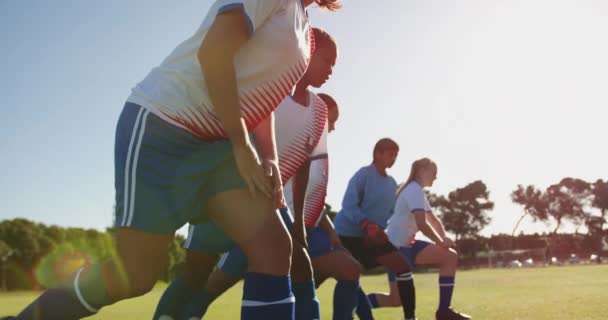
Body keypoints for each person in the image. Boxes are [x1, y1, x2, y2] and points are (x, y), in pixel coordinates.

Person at [11, 1, 341, 319]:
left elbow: (264, 91)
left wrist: (267, 154)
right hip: (165, 127)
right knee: (136, 275)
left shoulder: (304, 31)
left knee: (273, 248)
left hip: (217, 143)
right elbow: (214, 53)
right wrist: (242, 145)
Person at [153, 27, 339, 320]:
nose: (331, 70)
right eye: (326, 60)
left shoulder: (318, 110)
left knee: (296, 259)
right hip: (226, 189)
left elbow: (303, 164)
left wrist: (300, 221)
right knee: (197, 272)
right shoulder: (268, 88)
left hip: (268, 199)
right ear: (307, 51)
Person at [333, 138, 417, 320]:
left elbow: (389, 212)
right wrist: (366, 224)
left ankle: (410, 318)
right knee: (351, 276)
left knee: (402, 266)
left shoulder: (391, 183)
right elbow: (348, 205)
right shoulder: (363, 175)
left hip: (372, 236)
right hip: (346, 235)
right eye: (390, 154)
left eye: (396, 155)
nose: (393, 159)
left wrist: (379, 231)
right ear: (377, 154)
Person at [377, 158, 471, 320]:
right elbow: (422, 224)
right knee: (395, 300)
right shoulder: (413, 190)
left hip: (409, 246)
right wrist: (439, 242)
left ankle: (444, 311)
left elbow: (433, 220)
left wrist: (444, 238)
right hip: (395, 249)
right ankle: (357, 302)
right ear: (421, 171)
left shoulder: (417, 190)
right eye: (434, 173)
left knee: (449, 256)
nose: (436, 177)